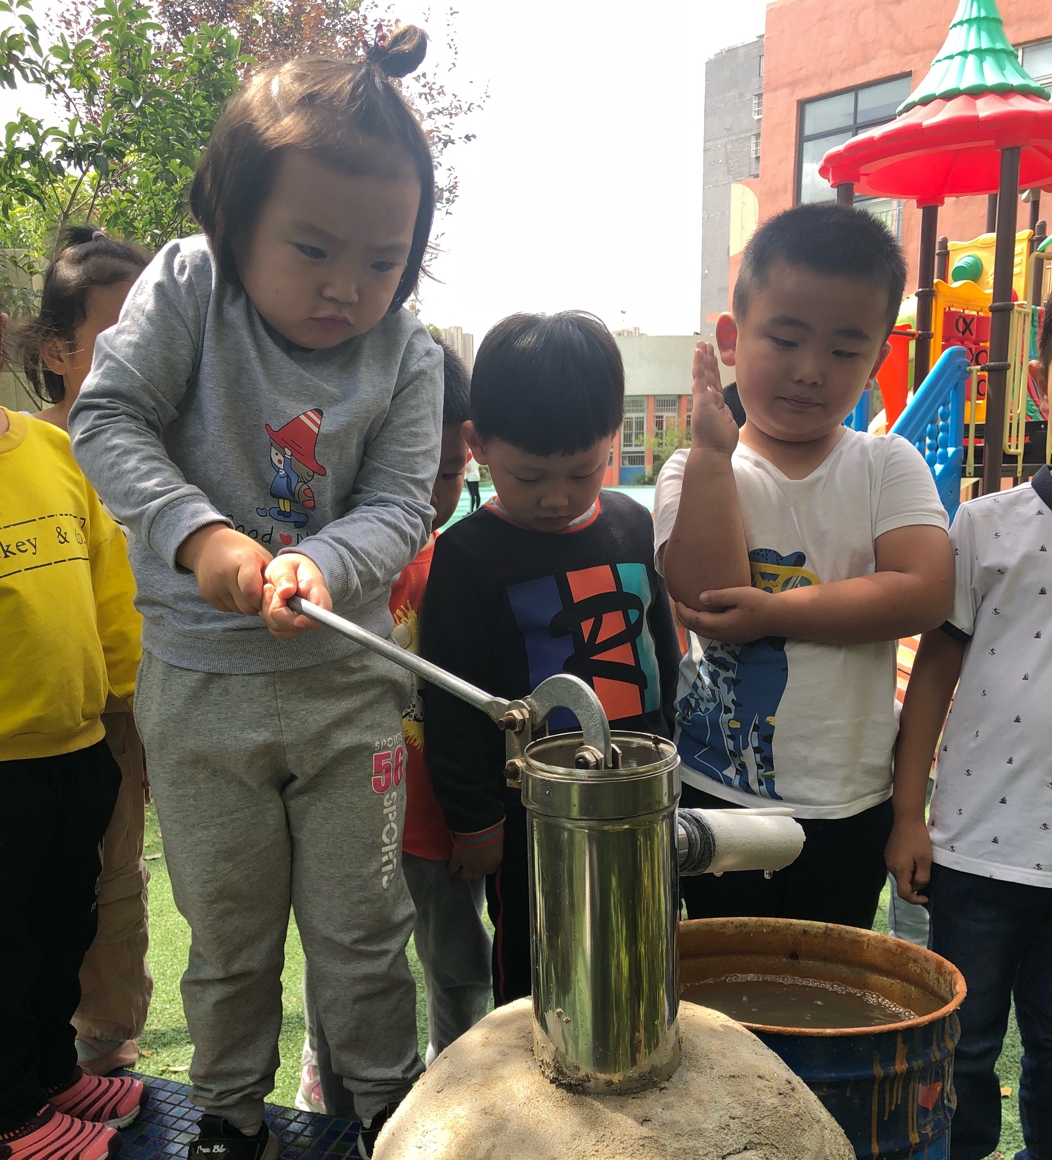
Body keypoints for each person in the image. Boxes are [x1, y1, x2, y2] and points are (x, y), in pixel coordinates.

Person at [70, 28, 443, 1160]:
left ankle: (387, 1118)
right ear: (235, 224)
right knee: (228, 940)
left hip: (345, 697)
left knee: (363, 935)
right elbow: (107, 419)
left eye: (384, 259)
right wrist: (204, 539)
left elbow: (402, 503)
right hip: (202, 696)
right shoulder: (190, 289)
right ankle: (231, 1118)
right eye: (315, 249)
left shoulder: (410, 353)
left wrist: (321, 562)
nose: (349, 287)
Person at [654, 204, 953, 929]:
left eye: (845, 352)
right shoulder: (694, 468)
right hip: (717, 794)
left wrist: (775, 612)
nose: (811, 371)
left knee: (826, 973)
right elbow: (707, 598)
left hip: (849, 800)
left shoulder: (887, 465)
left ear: (876, 362)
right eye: (785, 340)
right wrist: (715, 456)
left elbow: (924, 593)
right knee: (726, 972)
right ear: (732, 339)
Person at [421, 313, 680, 1004]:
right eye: (529, 476)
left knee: (643, 950)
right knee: (534, 965)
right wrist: (476, 824)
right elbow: (451, 701)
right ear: (478, 445)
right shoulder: (467, 555)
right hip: (528, 817)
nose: (557, 496)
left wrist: (670, 760)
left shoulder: (632, 524)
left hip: (636, 797)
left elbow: (663, 656)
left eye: (582, 471)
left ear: (612, 439)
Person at [0, 232, 146, 1160]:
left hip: (80, 745)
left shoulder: (52, 449)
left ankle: (48, 1076)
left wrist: (132, 688)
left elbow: (108, 582)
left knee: (59, 934)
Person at [297, 341, 489, 1110]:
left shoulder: (462, 566)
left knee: (461, 969)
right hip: (346, 826)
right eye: (402, 471)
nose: (426, 496)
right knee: (343, 972)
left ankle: (458, 1104)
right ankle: (335, 1095)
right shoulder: (319, 576)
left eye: (444, 473)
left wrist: (476, 823)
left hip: (443, 829)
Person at [886, 303, 1052, 1160]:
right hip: (978, 846)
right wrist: (908, 814)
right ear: (1040, 386)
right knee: (962, 1041)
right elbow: (934, 676)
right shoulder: (986, 527)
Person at [18, 226, 154, 1076]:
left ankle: (107, 1043)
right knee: (50, 883)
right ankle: (51, 1048)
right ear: (55, 351)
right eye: (114, 336)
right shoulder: (35, 453)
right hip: (58, 716)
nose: (137, 354)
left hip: (151, 701)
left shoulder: (161, 447)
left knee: (122, 880)